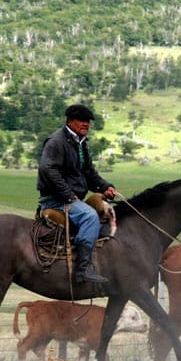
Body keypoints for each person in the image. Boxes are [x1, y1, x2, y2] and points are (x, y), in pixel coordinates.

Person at [37, 104, 116, 284]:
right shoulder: (56, 142)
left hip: (72, 198)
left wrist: (105, 187)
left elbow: (88, 172)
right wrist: (68, 195)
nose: (86, 124)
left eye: (88, 121)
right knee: (89, 216)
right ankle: (83, 270)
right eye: (82, 120)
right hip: (55, 200)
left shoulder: (81, 143)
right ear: (70, 122)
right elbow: (48, 170)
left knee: (102, 204)